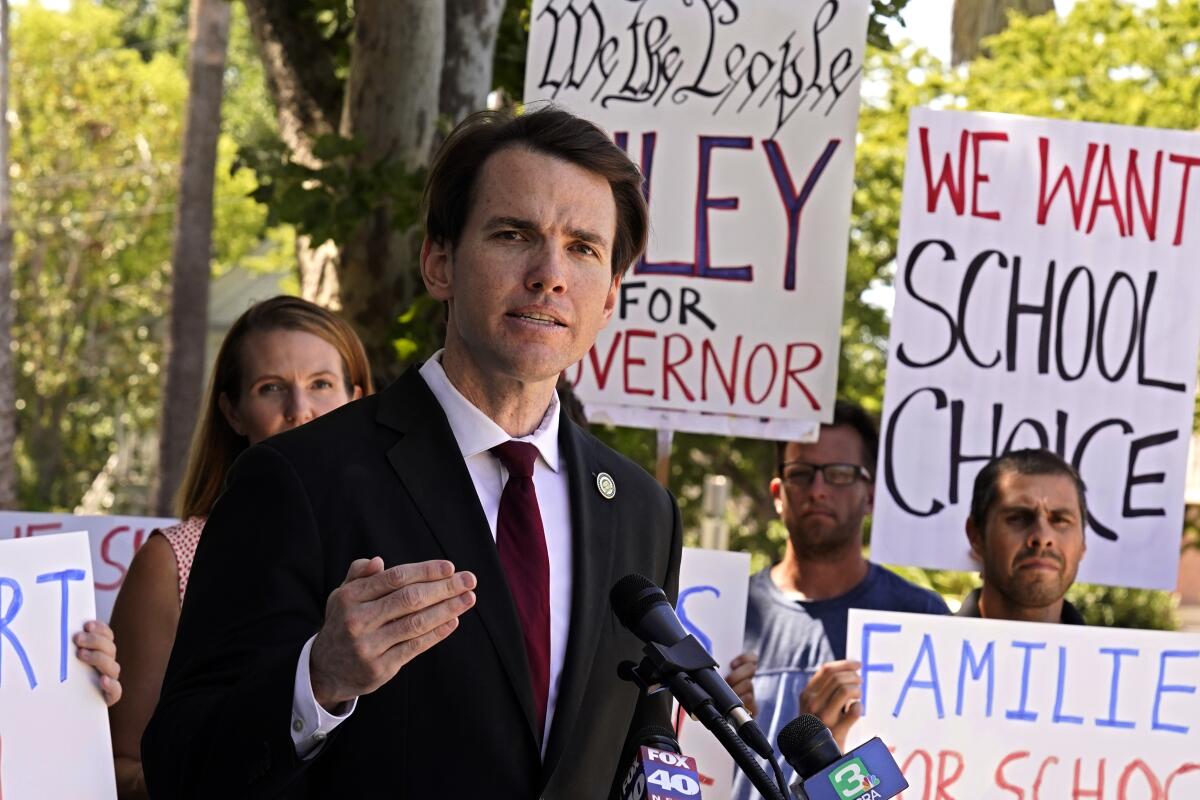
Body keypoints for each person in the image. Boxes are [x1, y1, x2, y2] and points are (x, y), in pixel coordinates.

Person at [142, 107, 682, 798]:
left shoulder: (643, 510)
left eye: (583, 247)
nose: (550, 274)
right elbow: (182, 766)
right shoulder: (297, 480)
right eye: (514, 234)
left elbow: (640, 748)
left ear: (609, 296)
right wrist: (319, 679)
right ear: (439, 262)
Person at [107, 296, 373, 799]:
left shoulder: (404, 539)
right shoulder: (173, 561)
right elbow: (122, 765)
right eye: (271, 388)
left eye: (321, 385)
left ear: (357, 398)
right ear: (232, 410)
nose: (300, 412)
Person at [730, 402, 948, 799]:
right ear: (778, 494)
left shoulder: (922, 617)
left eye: (840, 474)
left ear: (870, 496)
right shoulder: (724, 612)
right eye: (801, 473)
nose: (818, 490)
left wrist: (829, 755)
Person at [957, 448, 1088, 624]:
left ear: (1083, 543)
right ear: (976, 536)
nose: (1042, 537)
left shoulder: (1128, 651)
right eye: (1018, 518)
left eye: (1060, 520)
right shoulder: (909, 649)